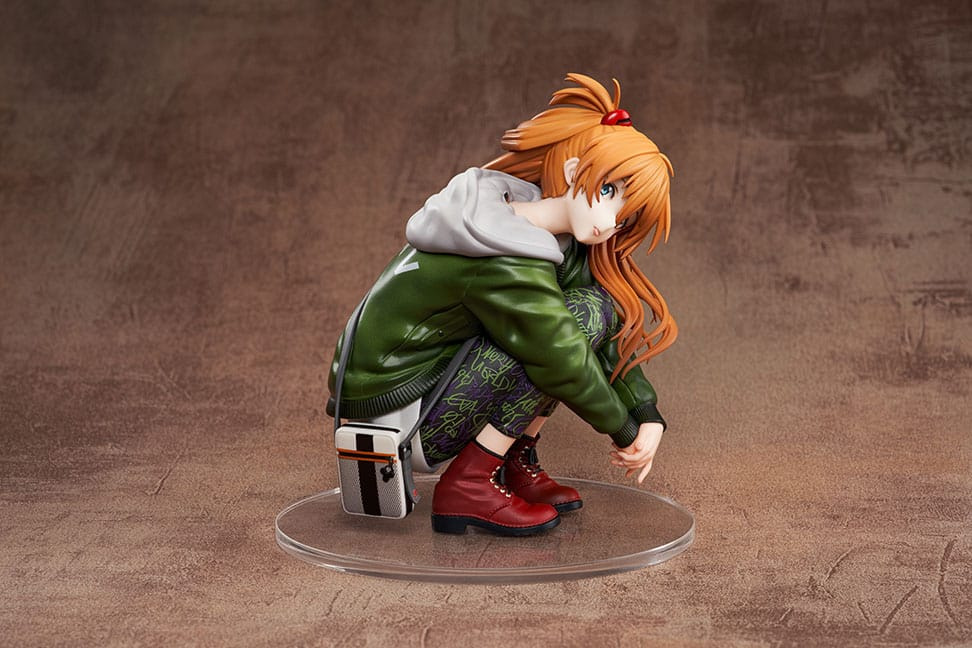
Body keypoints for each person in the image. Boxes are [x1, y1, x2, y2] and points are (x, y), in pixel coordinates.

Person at [327, 73, 677, 536]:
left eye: (625, 216)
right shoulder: (504, 248)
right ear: (573, 171)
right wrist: (625, 432)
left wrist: (647, 414)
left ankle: (511, 461)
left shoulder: (554, 236)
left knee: (592, 310)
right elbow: (562, 357)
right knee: (556, 344)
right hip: (401, 420)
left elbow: (605, 327)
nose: (611, 222)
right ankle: (470, 481)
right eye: (609, 192)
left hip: (436, 385)